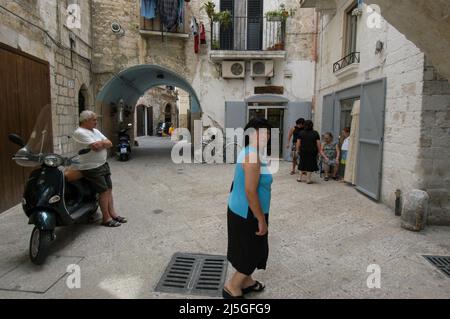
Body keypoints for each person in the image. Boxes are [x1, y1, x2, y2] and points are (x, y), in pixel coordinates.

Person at [224, 118, 273, 299]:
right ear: (251, 134)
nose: (267, 136)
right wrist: (260, 219)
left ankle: (247, 281)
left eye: (268, 133)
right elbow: (250, 191)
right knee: (253, 251)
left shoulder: (251, 152)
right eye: (263, 132)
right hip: (248, 213)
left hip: (241, 209)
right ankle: (232, 286)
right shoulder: (252, 156)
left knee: (247, 248)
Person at [73, 111, 128, 227]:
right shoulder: (80, 132)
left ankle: (113, 214)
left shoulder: (95, 131)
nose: (96, 122)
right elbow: (97, 147)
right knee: (103, 191)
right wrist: (103, 143)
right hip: (91, 167)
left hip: (102, 164)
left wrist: (102, 143)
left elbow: (110, 143)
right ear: (85, 120)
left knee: (109, 189)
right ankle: (106, 218)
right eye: (94, 120)